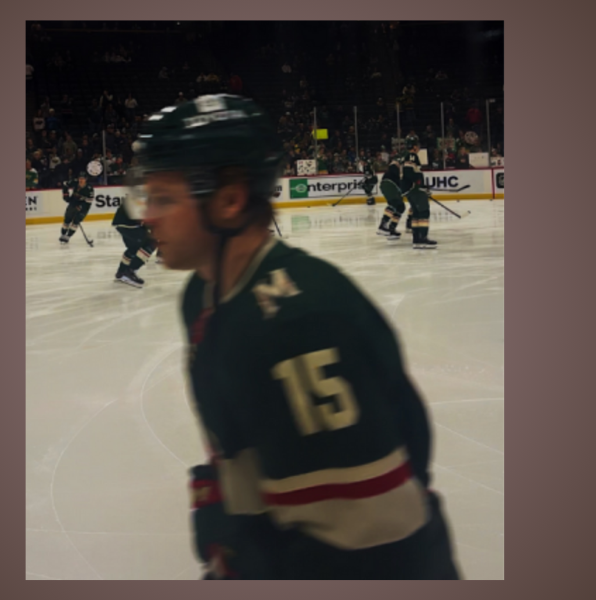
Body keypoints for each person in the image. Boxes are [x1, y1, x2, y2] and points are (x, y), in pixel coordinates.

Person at [133, 94, 460, 580]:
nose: (146, 216)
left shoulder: (302, 323)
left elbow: (370, 537)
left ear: (228, 199)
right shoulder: (203, 293)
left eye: (163, 197)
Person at [111, 189, 157, 288]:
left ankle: (121, 272)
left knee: (133, 248)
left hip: (122, 222)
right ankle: (130, 271)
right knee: (152, 242)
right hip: (129, 224)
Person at [59, 172, 94, 244]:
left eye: (83, 179)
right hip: (73, 203)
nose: (81, 180)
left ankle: (68, 236)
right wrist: (65, 194)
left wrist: (81, 207)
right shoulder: (74, 182)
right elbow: (65, 185)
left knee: (76, 222)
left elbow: (89, 202)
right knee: (67, 220)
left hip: (83, 208)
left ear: (86, 179)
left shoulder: (89, 189)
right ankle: (63, 234)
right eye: (80, 179)